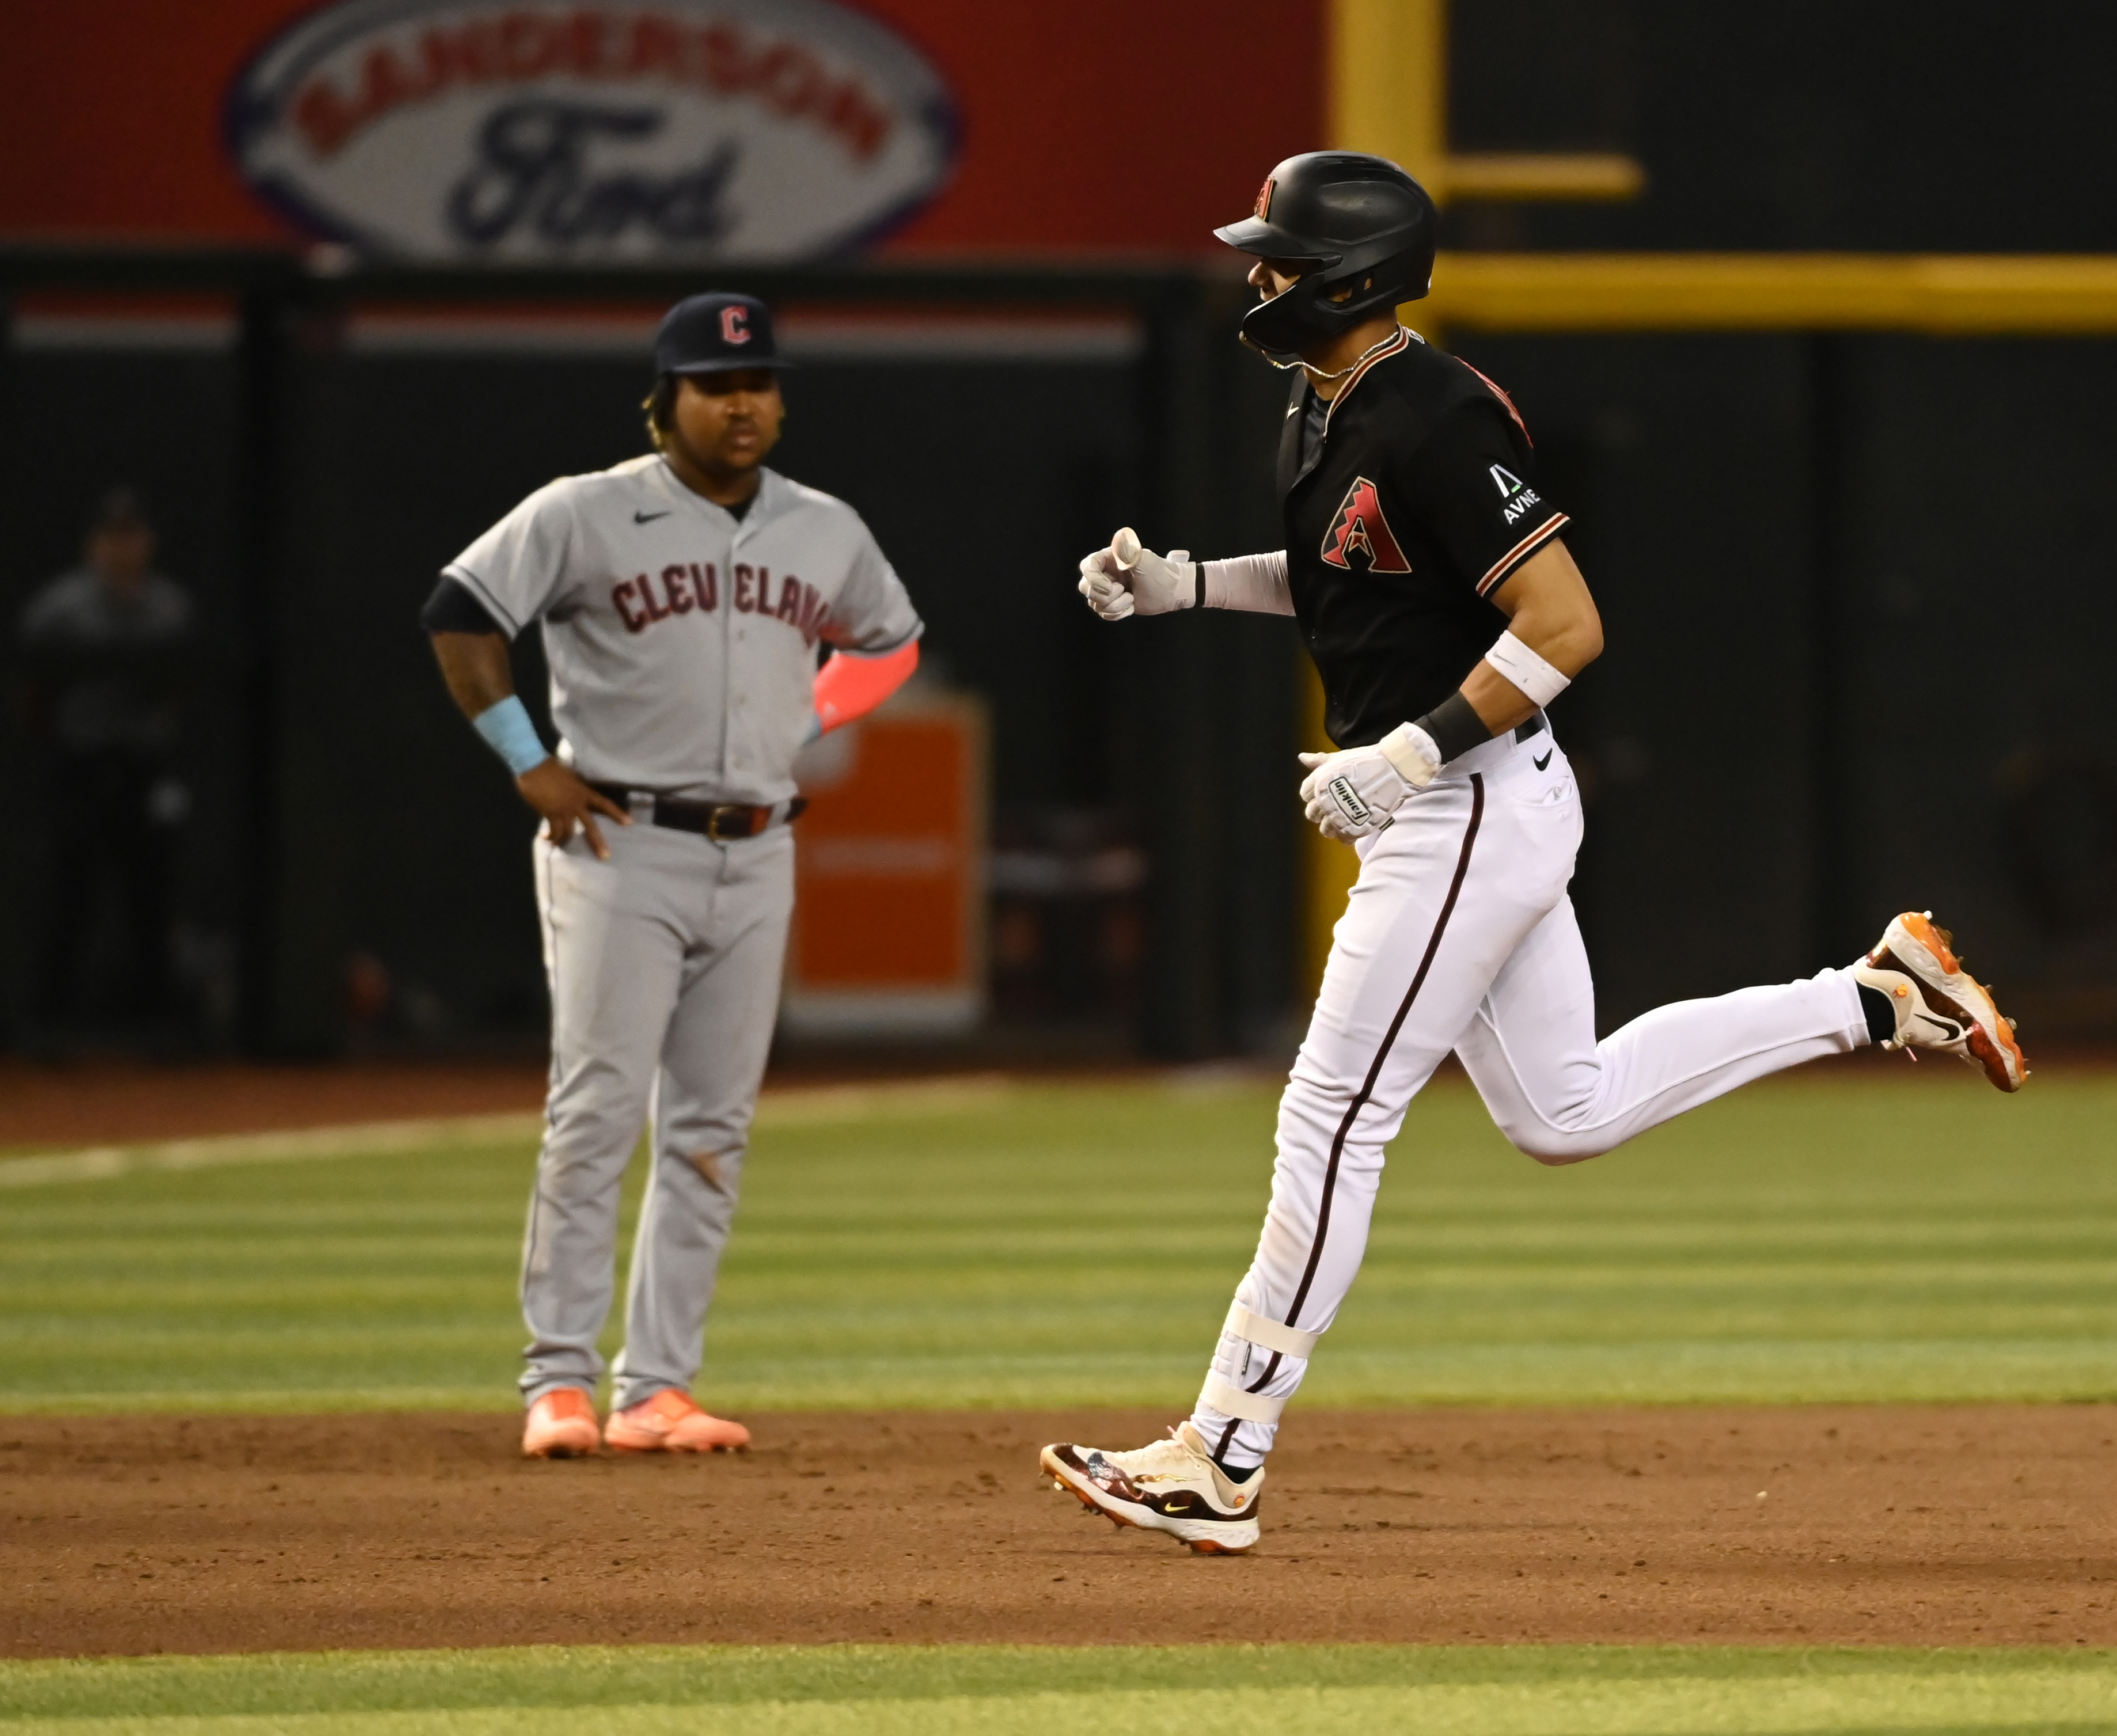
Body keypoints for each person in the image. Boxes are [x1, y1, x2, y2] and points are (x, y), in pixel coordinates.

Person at [1040, 152, 2029, 1553]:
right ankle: (1876, 995)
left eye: (1279, 256)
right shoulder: (1320, 401)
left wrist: (1408, 752)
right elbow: (1342, 580)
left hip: (1470, 801)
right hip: (1471, 795)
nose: (1257, 275)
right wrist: (1187, 585)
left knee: (1332, 1115)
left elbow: (1565, 630)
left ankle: (1223, 1449)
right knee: (1560, 1110)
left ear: (1348, 279)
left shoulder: (1436, 415)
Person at [422, 294, 923, 1460]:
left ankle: (657, 1388)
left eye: (757, 383)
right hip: (618, 840)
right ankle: (557, 1382)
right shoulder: (589, 511)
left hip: (759, 847)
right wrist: (525, 761)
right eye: (715, 384)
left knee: (711, 1128)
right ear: (668, 399)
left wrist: (808, 714)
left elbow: (889, 640)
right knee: (595, 1109)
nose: (741, 403)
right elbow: (458, 614)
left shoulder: (823, 527)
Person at [21, 488, 195, 1036]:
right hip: (82, 762)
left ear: (147, 542)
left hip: (144, 767)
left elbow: (184, 688)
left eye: (132, 535)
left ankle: (155, 1028)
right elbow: (34, 690)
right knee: (71, 898)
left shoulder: (170, 606)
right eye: (112, 536)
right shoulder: (60, 608)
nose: (123, 548)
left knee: (151, 898)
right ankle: (53, 1027)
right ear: (92, 544)